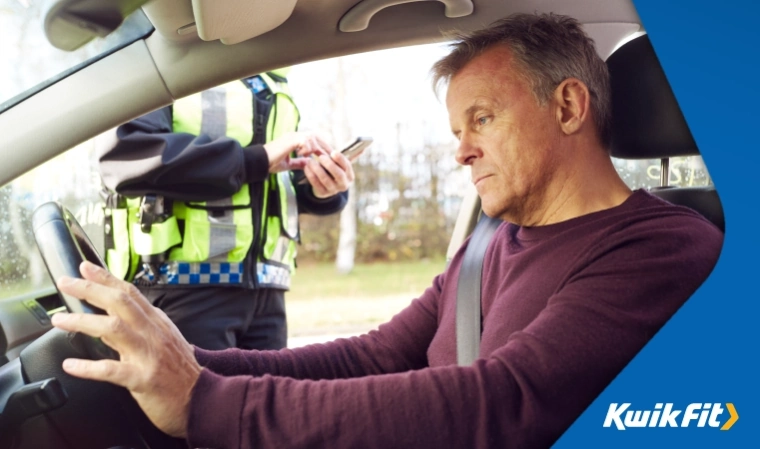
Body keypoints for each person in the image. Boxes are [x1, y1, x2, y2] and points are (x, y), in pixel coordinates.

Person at [52, 13, 723, 448]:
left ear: (569, 105)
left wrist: (208, 402)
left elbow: (503, 402)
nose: (460, 151)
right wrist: (183, 360)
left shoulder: (666, 249)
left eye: (482, 119)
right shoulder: (491, 241)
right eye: (456, 130)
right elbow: (368, 357)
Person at [98, 69, 354, 350]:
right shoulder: (166, 69)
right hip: (183, 292)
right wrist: (257, 159)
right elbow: (127, 156)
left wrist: (319, 190)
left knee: (269, 395)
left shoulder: (273, 78)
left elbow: (273, 183)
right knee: (199, 395)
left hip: (268, 296)